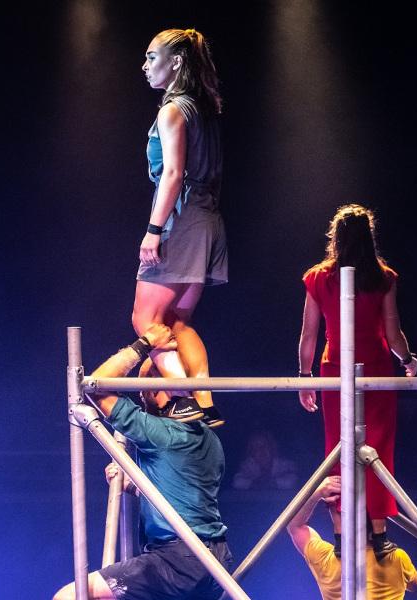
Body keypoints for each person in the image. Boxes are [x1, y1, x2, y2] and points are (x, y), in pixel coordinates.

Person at [53, 324, 232, 600]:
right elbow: (185, 499)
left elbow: (96, 386)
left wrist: (145, 343)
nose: (141, 394)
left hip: (179, 560)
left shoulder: (162, 433)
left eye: (145, 386)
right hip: (214, 560)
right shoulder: (208, 438)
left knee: (69, 596)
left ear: (166, 390)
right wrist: (134, 488)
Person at [298, 204, 417, 555]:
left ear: (336, 239)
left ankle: (339, 536)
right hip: (376, 370)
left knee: (337, 450)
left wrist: (305, 378)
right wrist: (408, 360)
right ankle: (379, 534)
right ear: (369, 238)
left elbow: (309, 335)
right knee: (378, 450)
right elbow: (394, 334)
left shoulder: (319, 277)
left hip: (335, 369)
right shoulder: (383, 277)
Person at [132, 27, 228, 426]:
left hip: (183, 221)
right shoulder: (203, 109)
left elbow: (172, 174)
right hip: (208, 220)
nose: (145, 65)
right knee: (178, 322)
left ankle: (180, 398)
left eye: (151, 57)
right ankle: (204, 401)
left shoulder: (173, 110)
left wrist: (154, 230)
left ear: (175, 62)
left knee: (144, 321)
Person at [287, 476, 417, 600]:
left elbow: (295, 526)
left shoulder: (325, 559)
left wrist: (316, 494)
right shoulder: (396, 558)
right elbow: (416, 585)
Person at [230, 430, 299, 490]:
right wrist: (255, 484)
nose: (261, 451)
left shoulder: (286, 464)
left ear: (272, 447)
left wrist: (271, 483)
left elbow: (292, 481)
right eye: (256, 448)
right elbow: (237, 482)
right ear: (251, 452)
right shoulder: (247, 466)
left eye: (264, 446)